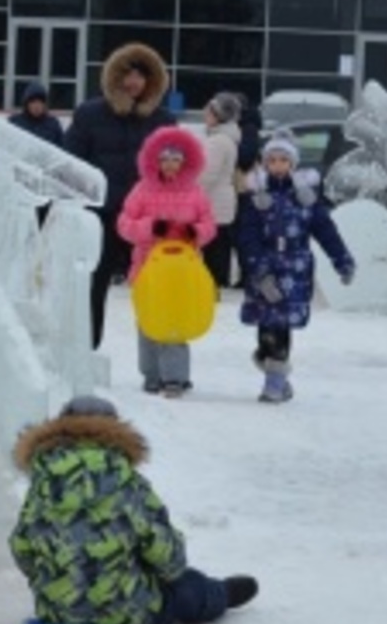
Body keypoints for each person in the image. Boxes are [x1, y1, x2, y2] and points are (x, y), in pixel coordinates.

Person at [10, 394, 258, 624]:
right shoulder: (129, 484)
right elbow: (167, 555)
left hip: (57, 614)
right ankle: (219, 595)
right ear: (116, 431)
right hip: (129, 615)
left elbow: (21, 546)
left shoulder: (41, 485)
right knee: (186, 586)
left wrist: (55, 578)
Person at [62, 42, 176, 349]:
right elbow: (72, 161)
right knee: (93, 284)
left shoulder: (164, 120)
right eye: (128, 74)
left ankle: (160, 362)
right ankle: (86, 348)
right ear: (116, 77)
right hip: (102, 214)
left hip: (147, 219)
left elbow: (175, 171)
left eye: (141, 76)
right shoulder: (90, 113)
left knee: (156, 286)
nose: (134, 82)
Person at [237, 133, 356, 403]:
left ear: (293, 164)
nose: (278, 165)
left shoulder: (306, 199)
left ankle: (274, 384)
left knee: (281, 328)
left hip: (295, 272)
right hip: (264, 271)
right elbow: (247, 236)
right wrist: (258, 268)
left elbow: (326, 231)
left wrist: (342, 259)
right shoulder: (257, 198)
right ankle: (274, 370)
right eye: (273, 160)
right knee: (265, 330)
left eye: (284, 160)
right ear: (265, 164)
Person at [116, 128, 217, 398]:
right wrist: (151, 227)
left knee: (177, 320)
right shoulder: (141, 190)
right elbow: (124, 224)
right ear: (155, 161)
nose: (170, 164)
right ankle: (151, 374)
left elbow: (209, 225)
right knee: (149, 320)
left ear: (185, 161)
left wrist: (195, 232)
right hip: (147, 268)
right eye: (165, 159)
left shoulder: (196, 193)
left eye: (176, 159)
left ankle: (176, 376)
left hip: (183, 271)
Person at [197, 92, 242, 288]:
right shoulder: (227, 138)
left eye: (208, 111)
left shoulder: (217, 141)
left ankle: (213, 285)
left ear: (217, 116)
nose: (204, 114)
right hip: (223, 200)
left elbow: (207, 174)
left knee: (213, 249)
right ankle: (217, 281)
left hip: (214, 202)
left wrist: (193, 194)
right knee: (220, 245)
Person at [6, 81, 64, 147]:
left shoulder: (53, 125)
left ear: (45, 104)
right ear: (26, 104)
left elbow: (61, 150)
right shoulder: (15, 123)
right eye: (33, 102)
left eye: (40, 102)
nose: (36, 106)